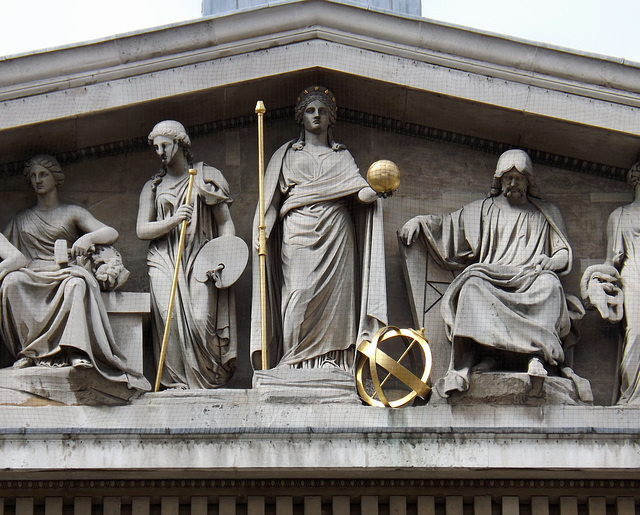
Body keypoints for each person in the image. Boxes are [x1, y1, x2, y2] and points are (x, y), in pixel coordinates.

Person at [400, 149, 575, 397]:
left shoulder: (545, 213)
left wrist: (551, 262)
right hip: (491, 276)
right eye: (508, 177)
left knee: (551, 286)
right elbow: (449, 226)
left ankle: (536, 358)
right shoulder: (484, 209)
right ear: (499, 181)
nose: (513, 183)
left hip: (530, 278)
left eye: (519, 177)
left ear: (529, 181)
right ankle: (470, 363)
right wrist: (420, 222)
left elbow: (563, 253)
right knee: (471, 287)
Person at [250, 86, 387, 371]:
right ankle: (292, 361)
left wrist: (379, 188)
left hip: (336, 232)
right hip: (297, 231)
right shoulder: (286, 155)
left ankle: (331, 360)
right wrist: (263, 229)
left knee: (336, 304)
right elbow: (272, 202)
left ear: (331, 119)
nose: (316, 116)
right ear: (301, 118)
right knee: (298, 294)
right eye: (310, 111)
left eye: (322, 111)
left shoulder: (341, 157)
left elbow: (359, 193)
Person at [0, 154, 150, 392]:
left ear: (56, 178)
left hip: (64, 270)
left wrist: (88, 238)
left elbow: (110, 232)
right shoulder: (21, 218)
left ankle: (77, 351)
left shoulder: (72, 212)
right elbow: (7, 250)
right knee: (11, 282)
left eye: (43, 174)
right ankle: (31, 352)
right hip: (31, 272)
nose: (38, 180)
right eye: (33, 176)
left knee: (77, 284)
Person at [137, 120, 237, 389]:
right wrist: (173, 221)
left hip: (200, 258)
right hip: (163, 259)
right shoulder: (153, 187)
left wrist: (225, 258)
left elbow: (225, 223)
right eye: (156, 147)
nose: (160, 151)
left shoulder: (205, 178)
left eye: (165, 145)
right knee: (167, 317)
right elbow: (141, 229)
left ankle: (204, 382)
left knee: (200, 318)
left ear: (180, 144)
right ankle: (175, 384)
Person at [582, 162, 640, 404]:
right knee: (636, 332)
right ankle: (634, 396)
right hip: (634, 275)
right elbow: (612, 260)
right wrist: (592, 279)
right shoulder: (621, 216)